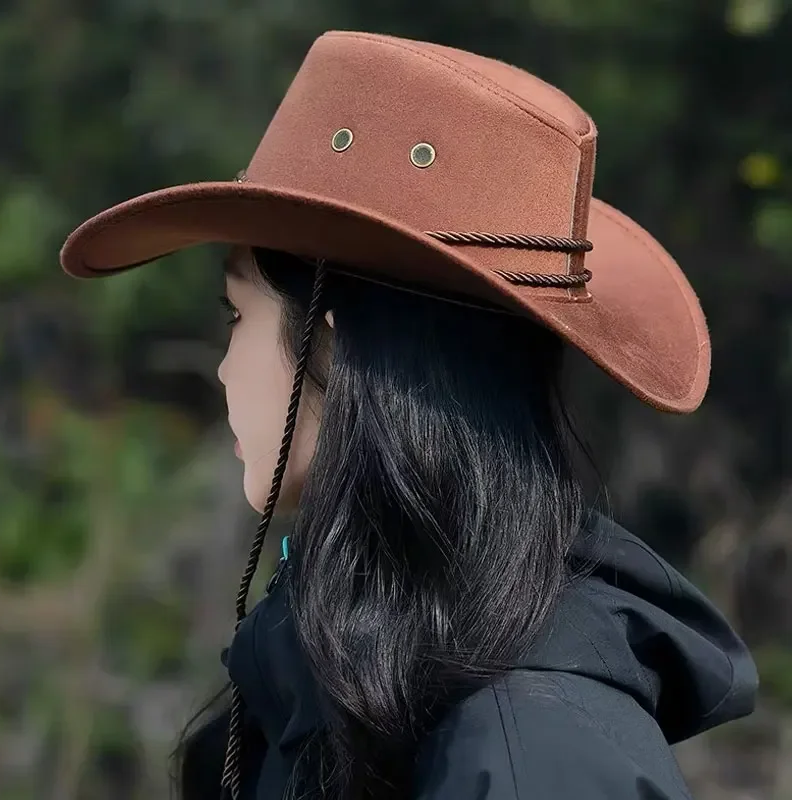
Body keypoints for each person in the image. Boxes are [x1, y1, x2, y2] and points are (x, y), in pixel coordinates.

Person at [60, 30, 757, 800]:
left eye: (235, 318)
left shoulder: (533, 756)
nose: (224, 368)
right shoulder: (337, 683)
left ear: (332, 345)